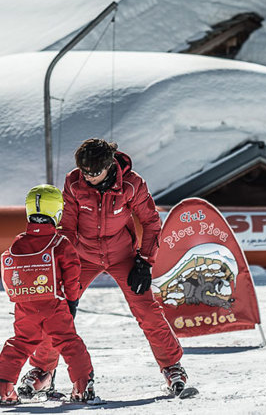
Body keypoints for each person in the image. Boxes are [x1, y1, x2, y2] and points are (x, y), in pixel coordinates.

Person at [18, 139, 188, 396]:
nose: (89, 178)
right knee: (59, 310)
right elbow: (68, 228)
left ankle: (172, 367)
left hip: (122, 256)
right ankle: (43, 370)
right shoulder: (74, 183)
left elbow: (151, 222)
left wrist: (144, 261)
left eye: (94, 173)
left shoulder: (132, 184)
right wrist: (66, 270)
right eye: (85, 172)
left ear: (109, 166)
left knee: (146, 308)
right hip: (83, 256)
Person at [0, 185, 95, 405]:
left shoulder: (18, 242)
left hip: (25, 306)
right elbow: (73, 276)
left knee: (20, 343)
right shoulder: (59, 243)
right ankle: (82, 387)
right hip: (53, 305)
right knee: (69, 343)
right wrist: (72, 300)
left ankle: (2, 387)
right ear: (57, 212)